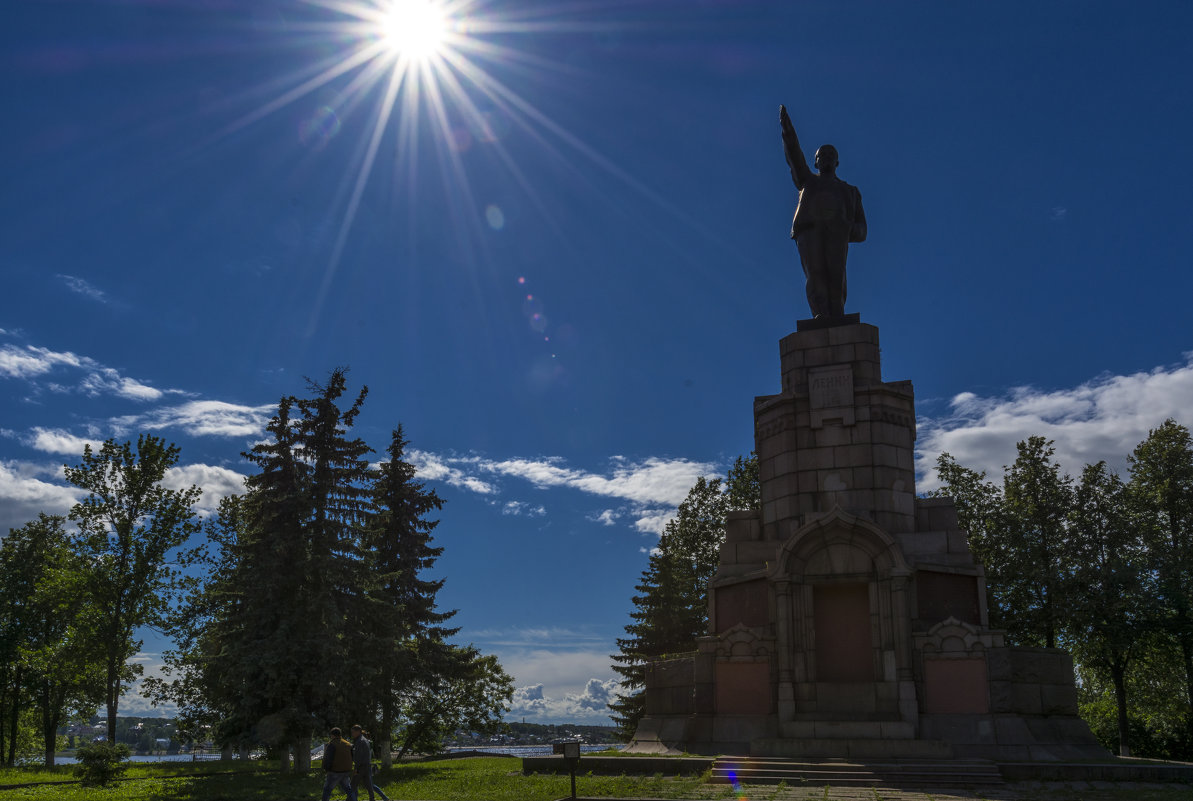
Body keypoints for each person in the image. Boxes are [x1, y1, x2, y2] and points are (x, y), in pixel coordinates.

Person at [779, 104, 867, 319]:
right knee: (816, 274)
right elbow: (794, 156)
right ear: (816, 161)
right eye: (822, 154)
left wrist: (845, 227)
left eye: (831, 154)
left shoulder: (850, 192)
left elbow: (862, 230)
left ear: (837, 162)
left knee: (836, 275)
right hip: (809, 232)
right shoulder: (807, 181)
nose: (826, 157)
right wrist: (788, 131)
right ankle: (820, 314)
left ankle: (836, 315)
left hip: (837, 234)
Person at [350, 725, 390, 801]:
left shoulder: (359, 741)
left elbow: (358, 757)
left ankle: (350, 799)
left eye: (353, 732)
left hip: (360, 767)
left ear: (358, 731)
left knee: (353, 785)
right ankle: (372, 798)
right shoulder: (365, 740)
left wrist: (356, 769)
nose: (352, 734)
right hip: (367, 766)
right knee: (369, 785)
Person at [322, 727, 357, 801]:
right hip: (346, 770)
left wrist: (326, 769)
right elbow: (352, 757)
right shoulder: (348, 744)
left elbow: (328, 759)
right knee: (348, 789)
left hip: (335, 771)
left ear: (332, 735)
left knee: (327, 790)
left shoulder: (332, 744)